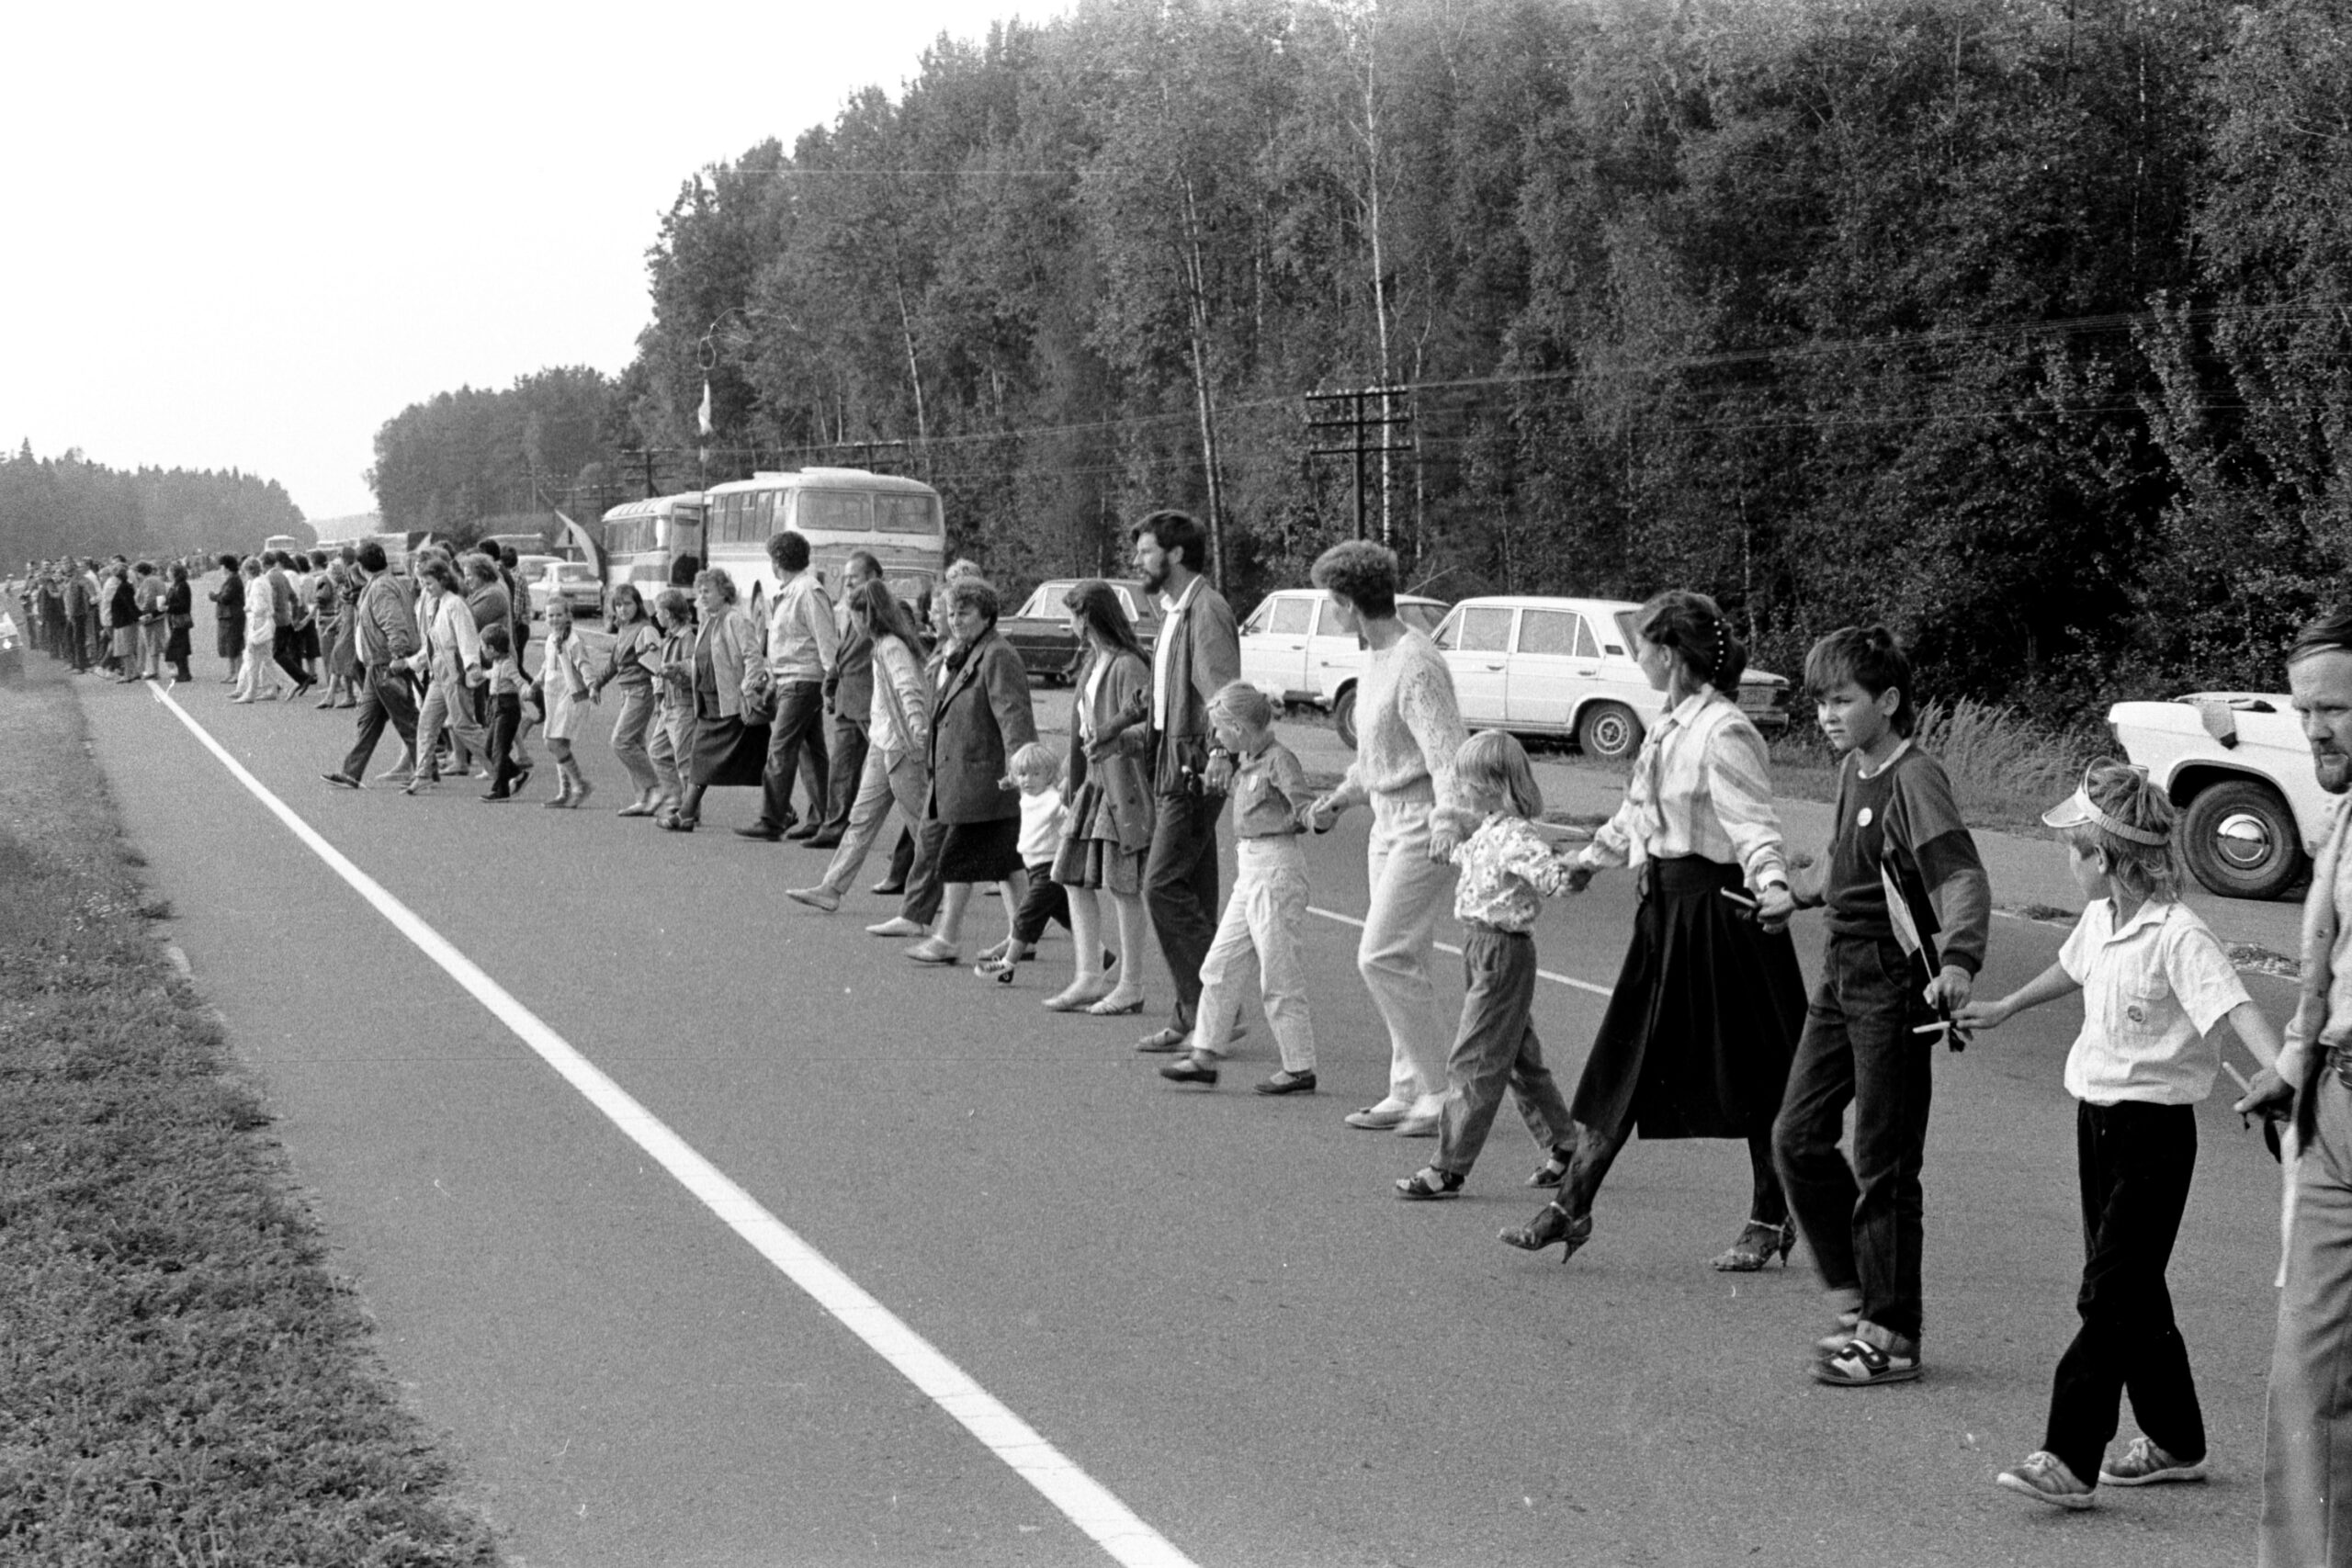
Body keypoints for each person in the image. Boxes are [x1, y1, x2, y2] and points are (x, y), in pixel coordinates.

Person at [1954, 763, 2280, 1506]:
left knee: (2107, 1294)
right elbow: (2070, 969)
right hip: (2095, 1123)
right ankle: (2176, 1439)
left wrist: (2279, 1070)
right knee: (2136, 1287)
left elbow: (2235, 1009)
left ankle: (2069, 1454)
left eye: (2075, 849)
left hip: (2155, 1136)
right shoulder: (2102, 918)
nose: (2068, 862)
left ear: (2103, 859)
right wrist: (2004, 1005)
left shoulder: (2179, 935)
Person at [1498, 589, 1805, 1270]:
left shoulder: (1723, 730)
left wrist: (1774, 884)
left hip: (1723, 915)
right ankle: (1570, 1206)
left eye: (1640, 644)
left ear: (1668, 654)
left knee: (1757, 1074)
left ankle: (1769, 1215)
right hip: (1665, 915)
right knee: (1623, 1061)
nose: (1635, 654)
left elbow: (1754, 822)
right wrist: (1588, 860)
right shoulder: (1669, 725)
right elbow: (1639, 811)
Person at [1769, 626, 1993, 1383]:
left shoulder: (1913, 776)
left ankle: (1893, 1334)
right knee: (1796, 1135)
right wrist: (1793, 895)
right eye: (1822, 703)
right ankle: (1859, 1291)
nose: (1828, 715)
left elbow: (1958, 874)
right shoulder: (1854, 770)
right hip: (1840, 971)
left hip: (1895, 981)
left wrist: (1959, 959)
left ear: (1888, 701)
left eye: (1843, 700)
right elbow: (1845, 864)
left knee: (1884, 1163)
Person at [2243, 607, 2352, 1564]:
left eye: (2335, 709)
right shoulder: (2344, 812)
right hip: (2332, 1108)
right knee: (2304, 1376)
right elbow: (2326, 956)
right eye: (2303, 707)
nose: (2313, 728)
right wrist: (2295, 1059)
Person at [1303, 541, 1469, 1134]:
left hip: (1425, 823)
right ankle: (1407, 1088)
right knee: (1408, 958)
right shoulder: (1376, 658)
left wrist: (1450, 820)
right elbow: (1379, 756)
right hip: (1384, 819)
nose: (1332, 612)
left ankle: (1444, 1091)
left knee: (1381, 954)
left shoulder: (1416, 660)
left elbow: (1447, 753)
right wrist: (1341, 797)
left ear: (1349, 601)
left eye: (1332, 601)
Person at [1378, 730, 1586, 1198]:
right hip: (1479, 947)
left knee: (1473, 1060)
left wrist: (1576, 867)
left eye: (1468, 782)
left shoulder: (1517, 837)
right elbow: (1472, 863)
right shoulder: (1490, 828)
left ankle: (1448, 1166)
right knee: (1517, 1058)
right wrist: (1448, 839)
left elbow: (1553, 879)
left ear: (1495, 783)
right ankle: (1564, 1142)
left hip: (1502, 952)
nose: (1462, 791)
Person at [1157, 682, 1322, 1095]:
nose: (1218, 738)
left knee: (1278, 972)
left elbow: (1302, 807)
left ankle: (1299, 1066)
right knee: (1218, 965)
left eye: (1221, 730)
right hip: (1250, 871)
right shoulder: (1249, 759)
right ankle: (1204, 1054)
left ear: (1241, 726)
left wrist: (1317, 815)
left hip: (1275, 870)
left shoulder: (1280, 761)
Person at [1128, 511, 1243, 1053]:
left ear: (1174, 555)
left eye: (1146, 551)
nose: (1137, 561)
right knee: (1192, 890)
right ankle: (1195, 1015)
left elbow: (1222, 690)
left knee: (1161, 885)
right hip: (1171, 760)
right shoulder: (1175, 610)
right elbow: (1174, 692)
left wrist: (1222, 750)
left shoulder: (1206, 609)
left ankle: (1216, 1007)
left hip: (1195, 767)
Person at [901, 577, 1035, 967]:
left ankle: (947, 938)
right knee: (1007, 864)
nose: (956, 620)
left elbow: (1013, 714)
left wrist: (1022, 766)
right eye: (952, 613)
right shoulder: (969, 651)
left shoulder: (996, 655)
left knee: (957, 857)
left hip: (984, 779)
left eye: (965, 613)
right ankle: (1021, 936)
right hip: (966, 776)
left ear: (986, 615)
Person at [1043, 580, 1157, 1015]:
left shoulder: (1128, 665)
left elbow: (1149, 730)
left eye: (1071, 614)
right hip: (1092, 783)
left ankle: (1131, 982)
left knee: (1124, 886)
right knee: (1072, 874)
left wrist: (1117, 741)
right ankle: (1089, 975)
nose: (1068, 623)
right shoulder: (1092, 662)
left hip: (1120, 786)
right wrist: (1070, 782)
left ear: (1088, 616)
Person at [786, 581, 934, 912]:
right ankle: (832, 887)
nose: (850, 624)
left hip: (901, 747)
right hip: (883, 745)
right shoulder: (883, 645)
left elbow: (909, 688)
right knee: (861, 820)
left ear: (866, 615)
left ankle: (942, 890)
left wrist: (917, 729)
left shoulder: (891, 647)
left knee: (921, 825)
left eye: (852, 616)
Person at [739, 530, 837, 843]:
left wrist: (830, 681)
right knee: (811, 752)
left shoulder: (808, 591)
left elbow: (826, 641)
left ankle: (772, 818)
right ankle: (823, 817)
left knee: (780, 750)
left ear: (778, 560)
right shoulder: (791, 591)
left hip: (803, 681)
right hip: (790, 679)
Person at [660, 568, 765, 833]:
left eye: (707, 591)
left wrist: (748, 691)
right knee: (701, 760)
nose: (701, 597)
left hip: (733, 706)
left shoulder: (736, 620)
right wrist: (682, 669)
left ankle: (780, 810)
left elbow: (753, 659)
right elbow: (703, 661)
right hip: (708, 704)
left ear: (724, 592)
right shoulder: (709, 621)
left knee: (755, 764)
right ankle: (686, 814)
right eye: (700, 592)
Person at [322, 542, 422, 789]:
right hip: (376, 664)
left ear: (361, 565)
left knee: (406, 719)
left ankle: (426, 769)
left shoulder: (381, 588)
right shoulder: (382, 584)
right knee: (368, 720)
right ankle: (351, 772)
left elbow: (393, 622)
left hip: (385, 663)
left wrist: (397, 654)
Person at [980, 742, 1073, 980]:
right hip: (1033, 867)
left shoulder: (1053, 799)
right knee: (1071, 919)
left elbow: (1067, 812)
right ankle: (1104, 958)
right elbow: (1019, 781)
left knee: (1024, 916)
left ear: (1050, 775)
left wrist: (1069, 793)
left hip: (1050, 869)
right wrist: (1010, 780)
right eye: (1022, 775)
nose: (1027, 780)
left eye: (1035, 774)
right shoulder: (1028, 795)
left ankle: (1008, 963)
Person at [407, 558, 493, 795]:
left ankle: (504, 770)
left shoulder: (455, 605)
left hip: (454, 674)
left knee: (464, 726)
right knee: (427, 724)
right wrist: (411, 663)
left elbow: (467, 640)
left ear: (443, 580)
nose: (426, 589)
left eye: (430, 583)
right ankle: (423, 774)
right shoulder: (438, 604)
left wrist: (472, 667)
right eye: (423, 584)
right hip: (439, 674)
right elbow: (432, 644)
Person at [817, 550, 882, 849]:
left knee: (892, 775)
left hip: (871, 706)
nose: (847, 584)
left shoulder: (887, 611)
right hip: (846, 703)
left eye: (853, 578)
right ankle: (834, 828)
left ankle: (919, 838)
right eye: (845, 579)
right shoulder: (851, 610)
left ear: (873, 578)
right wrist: (830, 684)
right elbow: (843, 656)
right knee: (841, 769)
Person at [596, 584, 665, 816]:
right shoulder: (624, 629)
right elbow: (615, 664)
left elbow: (657, 665)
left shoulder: (645, 630)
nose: (622, 609)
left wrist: (660, 696)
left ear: (638, 604)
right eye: (618, 605)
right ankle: (643, 798)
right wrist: (597, 684)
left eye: (627, 604)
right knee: (635, 744)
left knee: (621, 741)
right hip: (626, 692)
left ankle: (655, 787)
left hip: (641, 690)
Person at [536, 597, 596, 808]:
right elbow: (547, 663)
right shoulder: (551, 638)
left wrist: (591, 683)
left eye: (559, 614)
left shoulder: (573, 640)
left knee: (553, 742)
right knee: (559, 744)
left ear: (568, 616)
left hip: (571, 695)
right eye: (550, 615)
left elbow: (583, 663)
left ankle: (580, 784)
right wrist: (536, 681)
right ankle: (565, 792)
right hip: (553, 695)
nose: (554, 619)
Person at [645, 587, 697, 823]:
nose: (656, 616)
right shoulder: (668, 638)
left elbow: (691, 666)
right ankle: (676, 800)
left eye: (658, 611)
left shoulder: (686, 637)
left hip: (682, 704)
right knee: (657, 751)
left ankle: (689, 808)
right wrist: (658, 698)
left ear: (667, 613)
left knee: (684, 759)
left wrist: (672, 670)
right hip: (669, 704)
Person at [478, 624, 526, 802]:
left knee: (499, 750)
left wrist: (527, 689)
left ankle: (501, 790)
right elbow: (494, 674)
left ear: (491, 649)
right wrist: (482, 674)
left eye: (482, 647)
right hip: (497, 708)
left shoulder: (508, 664)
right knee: (489, 749)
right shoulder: (498, 663)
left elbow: (518, 680)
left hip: (508, 709)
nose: (481, 650)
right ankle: (518, 774)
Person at [232, 558, 286, 703]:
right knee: (263, 659)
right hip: (264, 622)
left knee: (254, 659)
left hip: (258, 623)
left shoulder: (257, 584)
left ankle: (250, 691)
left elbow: (259, 607)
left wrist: (248, 607)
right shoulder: (263, 580)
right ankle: (252, 689)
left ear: (249, 571)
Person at [209, 552, 243, 682]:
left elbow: (226, 598)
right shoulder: (232, 580)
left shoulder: (234, 580)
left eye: (221, 566)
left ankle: (237, 673)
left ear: (227, 567)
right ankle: (232, 672)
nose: (220, 569)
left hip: (232, 616)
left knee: (234, 645)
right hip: (228, 616)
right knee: (231, 645)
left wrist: (214, 596)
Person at [162, 561, 194, 684]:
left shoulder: (182, 586)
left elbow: (184, 606)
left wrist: (168, 608)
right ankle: (184, 672)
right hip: (174, 620)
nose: (167, 573)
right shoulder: (175, 585)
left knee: (175, 647)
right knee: (181, 647)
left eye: (169, 571)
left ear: (174, 573)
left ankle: (183, 673)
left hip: (180, 620)